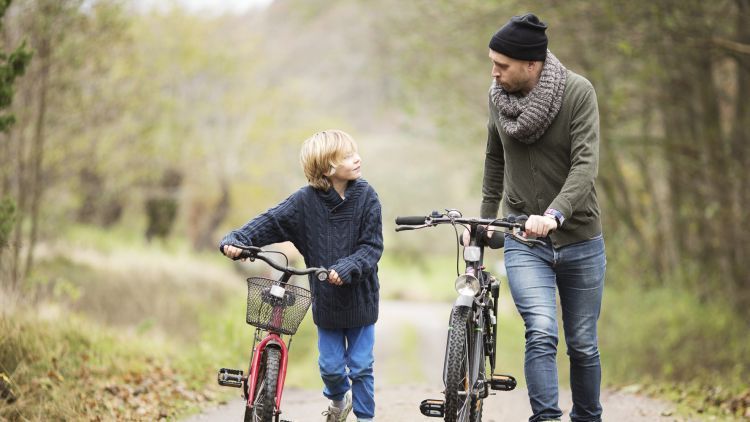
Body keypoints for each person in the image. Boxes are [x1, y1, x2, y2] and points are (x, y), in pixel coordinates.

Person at [480, 13, 607, 422]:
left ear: (531, 65)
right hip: (523, 237)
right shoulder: (497, 99)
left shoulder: (577, 93)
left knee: (583, 343)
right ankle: (546, 418)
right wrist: (484, 223)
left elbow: (586, 165)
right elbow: (494, 160)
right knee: (541, 331)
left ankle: (588, 417)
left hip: (580, 238)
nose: (494, 73)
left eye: (502, 65)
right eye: (493, 63)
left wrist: (554, 213)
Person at [219, 130, 382, 422]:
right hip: (328, 302)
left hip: (361, 300)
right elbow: (269, 222)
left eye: (355, 152)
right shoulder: (305, 202)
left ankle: (365, 418)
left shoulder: (367, 197)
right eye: (347, 156)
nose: (357, 158)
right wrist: (237, 239)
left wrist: (346, 268)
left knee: (361, 366)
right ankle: (337, 400)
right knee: (331, 368)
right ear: (327, 167)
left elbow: (371, 247)